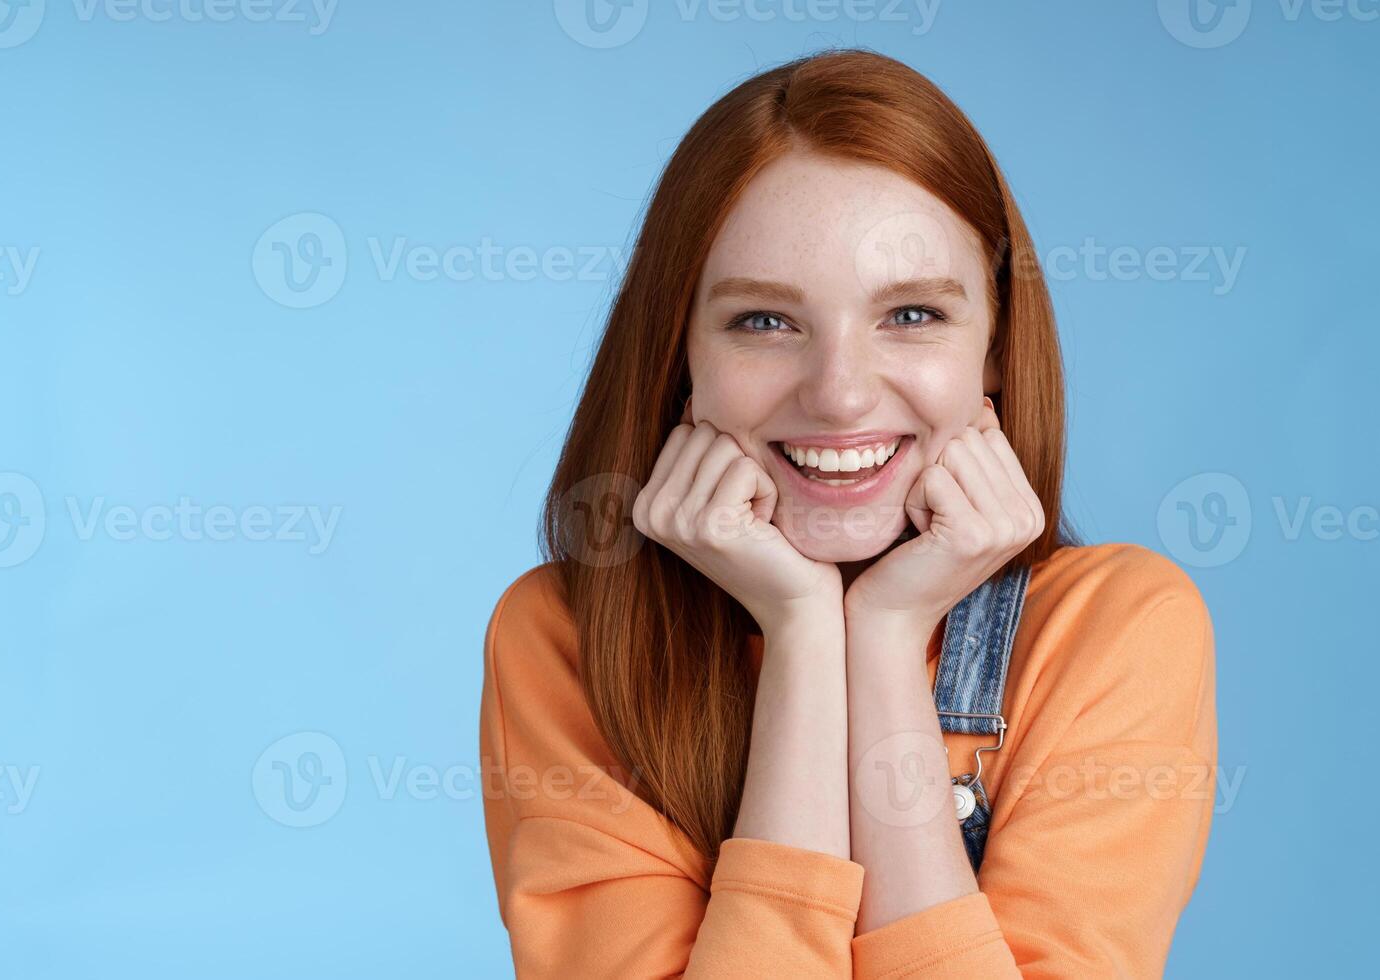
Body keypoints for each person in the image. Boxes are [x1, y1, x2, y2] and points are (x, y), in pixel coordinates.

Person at [480, 49, 1217, 978]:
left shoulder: (1117, 627)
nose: (838, 397)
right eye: (764, 321)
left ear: (994, 348)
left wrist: (882, 636)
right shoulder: (566, 639)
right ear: (680, 355)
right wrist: (799, 634)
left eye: (910, 315)